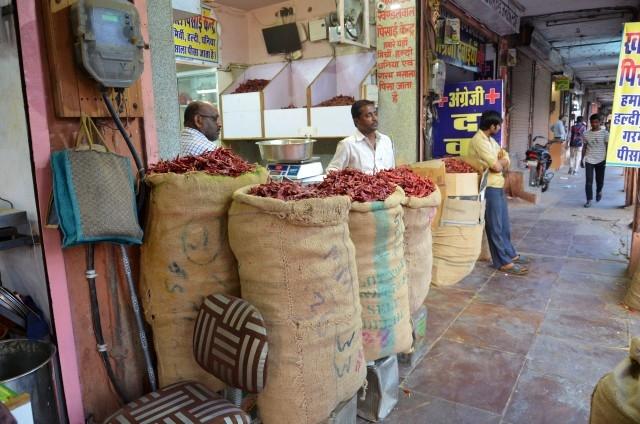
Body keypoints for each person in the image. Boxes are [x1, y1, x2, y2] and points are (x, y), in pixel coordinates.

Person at [467, 110, 529, 275]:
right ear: (492, 125)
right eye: (498, 125)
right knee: (494, 226)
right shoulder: (478, 141)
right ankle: (501, 262)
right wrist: (501, 161)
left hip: (498, 185)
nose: (500, 127)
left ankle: (510, 254)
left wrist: (502, 160)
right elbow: (496, 166)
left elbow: (505, 158)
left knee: (503, 225)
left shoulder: (490, 140)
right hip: (488, 187)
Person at [326, 100, 395, 174]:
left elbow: (392, 170)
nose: (374, 118)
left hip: (387, 185)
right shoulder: (347, 144)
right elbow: (332, 171)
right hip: (359, 185)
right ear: (356, 121)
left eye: (375, 114)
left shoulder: (386, 140)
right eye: (368, 115)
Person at [582, 113, 609, 208]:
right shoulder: (586, 134)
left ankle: (599, 191)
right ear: (590, 122)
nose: (594, 124)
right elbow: (584, 147)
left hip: (601, 159)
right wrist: (582, 158)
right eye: (592, 122)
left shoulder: (605, 133)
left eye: (596, 122)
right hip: (589, 159)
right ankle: (589, 199)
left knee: (599, 180)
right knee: (588, 181)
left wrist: (608, 159)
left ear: (600, 122)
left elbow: (607, 146)